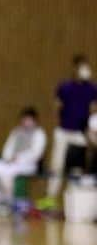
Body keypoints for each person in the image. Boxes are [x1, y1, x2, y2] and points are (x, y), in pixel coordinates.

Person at [47, 55, 97, 199]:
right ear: (75, 68)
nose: (85, 71)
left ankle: (72, 197)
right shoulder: (65, 86)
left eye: (87, 67)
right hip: (63, 131)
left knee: (77, 167)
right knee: (57, 164)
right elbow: (57, 106)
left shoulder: (92, 89)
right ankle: (51, 197)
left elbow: (93, 109)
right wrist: (58, 125)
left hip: (80, 133)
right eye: (82, 67)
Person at [0, 107, 47, 208]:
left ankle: (9, 202)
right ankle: (0, 198)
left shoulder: (39, 134)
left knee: (6, 174)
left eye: (29, 120)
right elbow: (8, 148)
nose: (27, 122)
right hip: (10, 162)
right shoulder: (16, 132)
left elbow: (36, 153)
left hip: (28, 165)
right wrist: (8, 157)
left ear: (35, 121)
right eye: (25, 119)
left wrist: (19, 158)